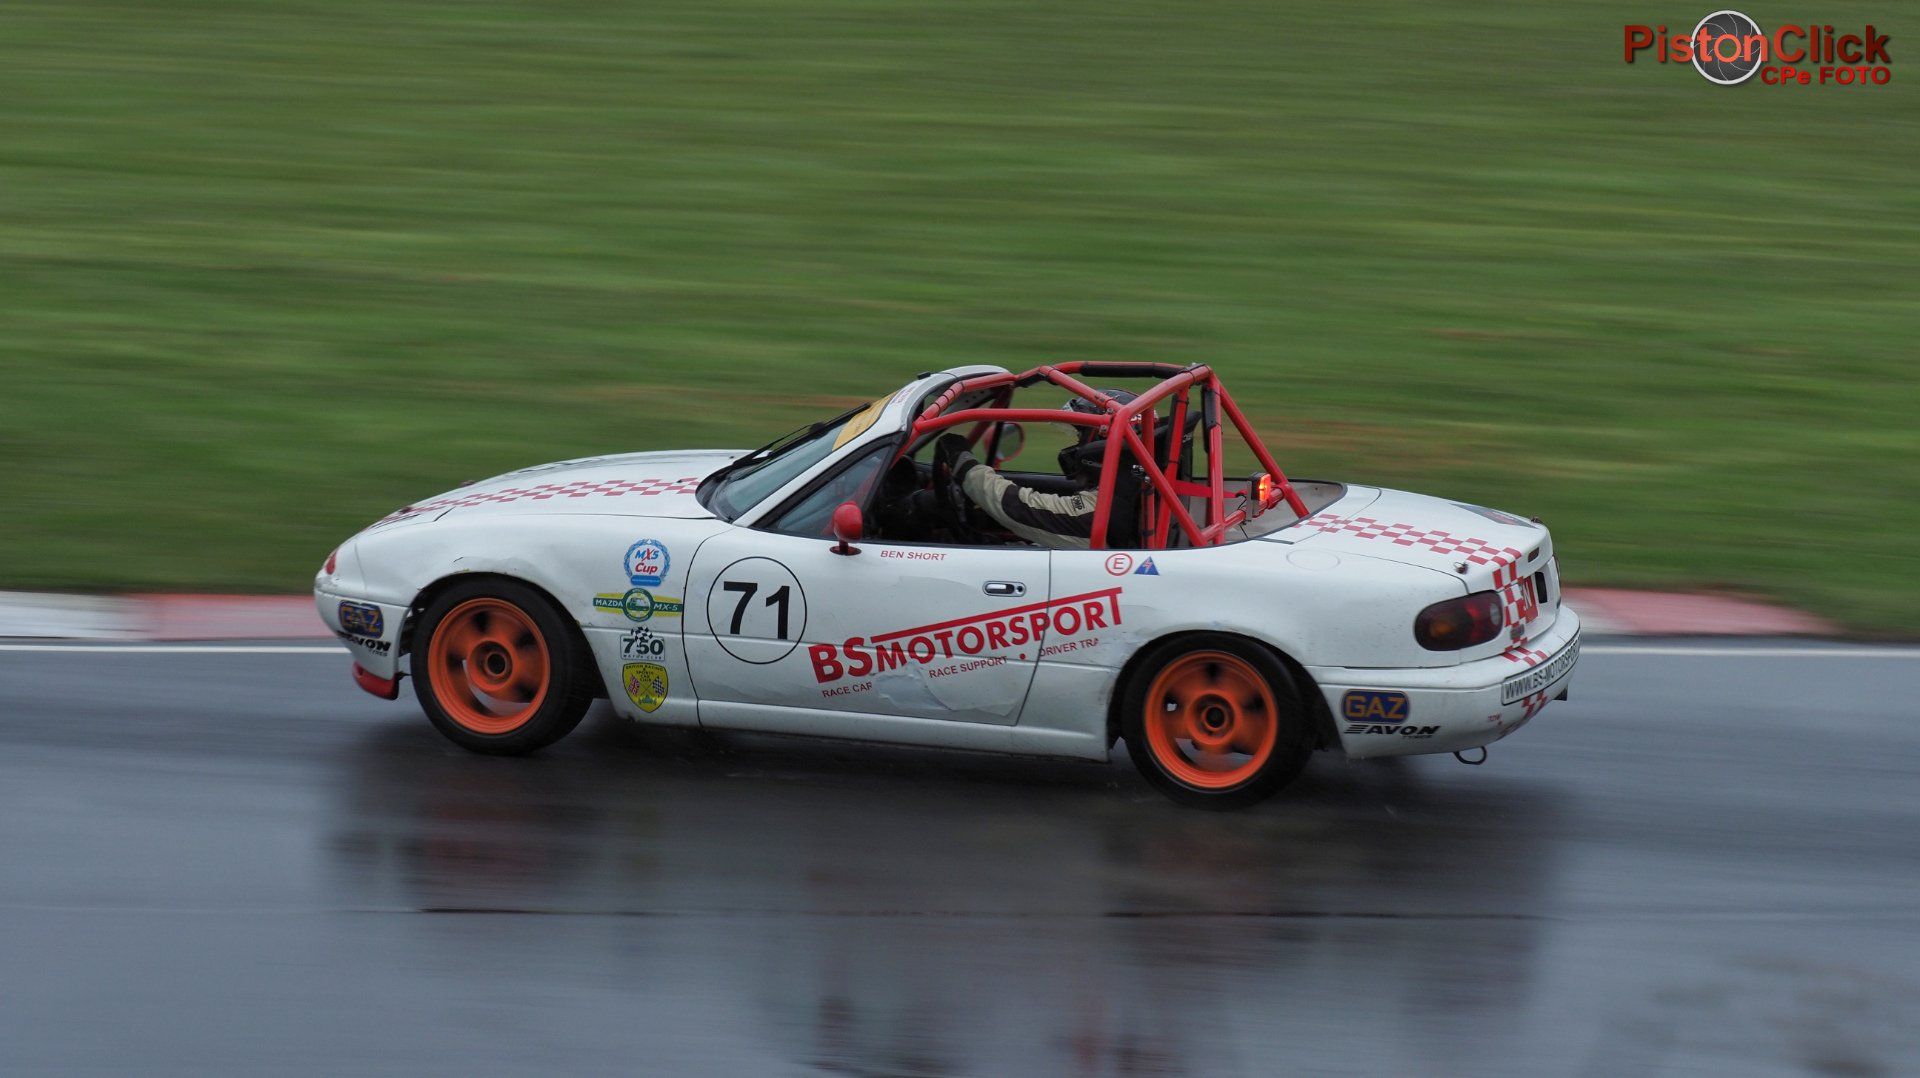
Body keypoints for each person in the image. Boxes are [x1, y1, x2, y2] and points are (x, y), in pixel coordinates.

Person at [936, 390, 1138, 550]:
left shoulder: (1105, 509)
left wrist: (964, 465)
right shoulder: (1138, 489)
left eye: (1080, 436)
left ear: (1103, 443)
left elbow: (1017, 508)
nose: (1077, 445)